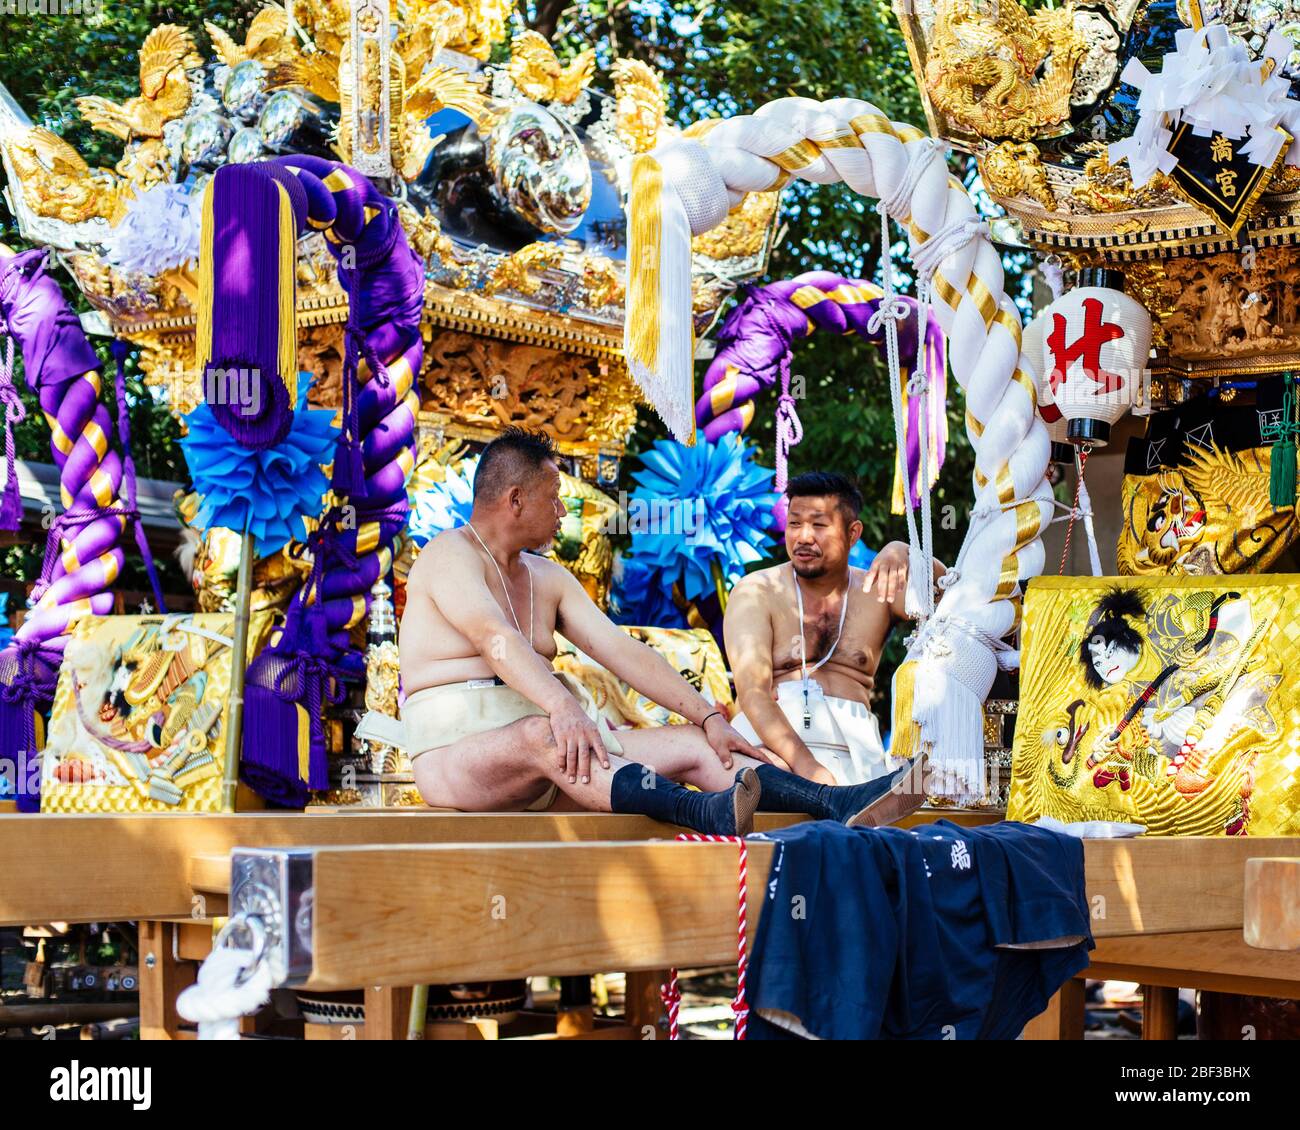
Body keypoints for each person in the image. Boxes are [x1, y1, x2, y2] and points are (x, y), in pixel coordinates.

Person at [398, 429, 920, 835]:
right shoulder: (449, 554)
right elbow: (496, 639)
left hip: (558, 760)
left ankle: (838, 802)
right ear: (515, 500)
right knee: (544, 734)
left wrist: (710, 715)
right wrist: (561, 706)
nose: (563, 512)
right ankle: (702, 811)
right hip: (459, 759)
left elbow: (622, 651)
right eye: (555, 498)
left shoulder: (548, 578)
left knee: (699, 745)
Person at [724, 471, 944, 788]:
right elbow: (753, 693)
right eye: (795, 523)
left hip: (856, 755)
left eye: (819, 524)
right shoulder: (757, 591)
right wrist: (809, 769)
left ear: (852, 533)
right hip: (772, 753)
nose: (803, 537)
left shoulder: (876, 590)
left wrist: (908, 553)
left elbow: (954, 601)